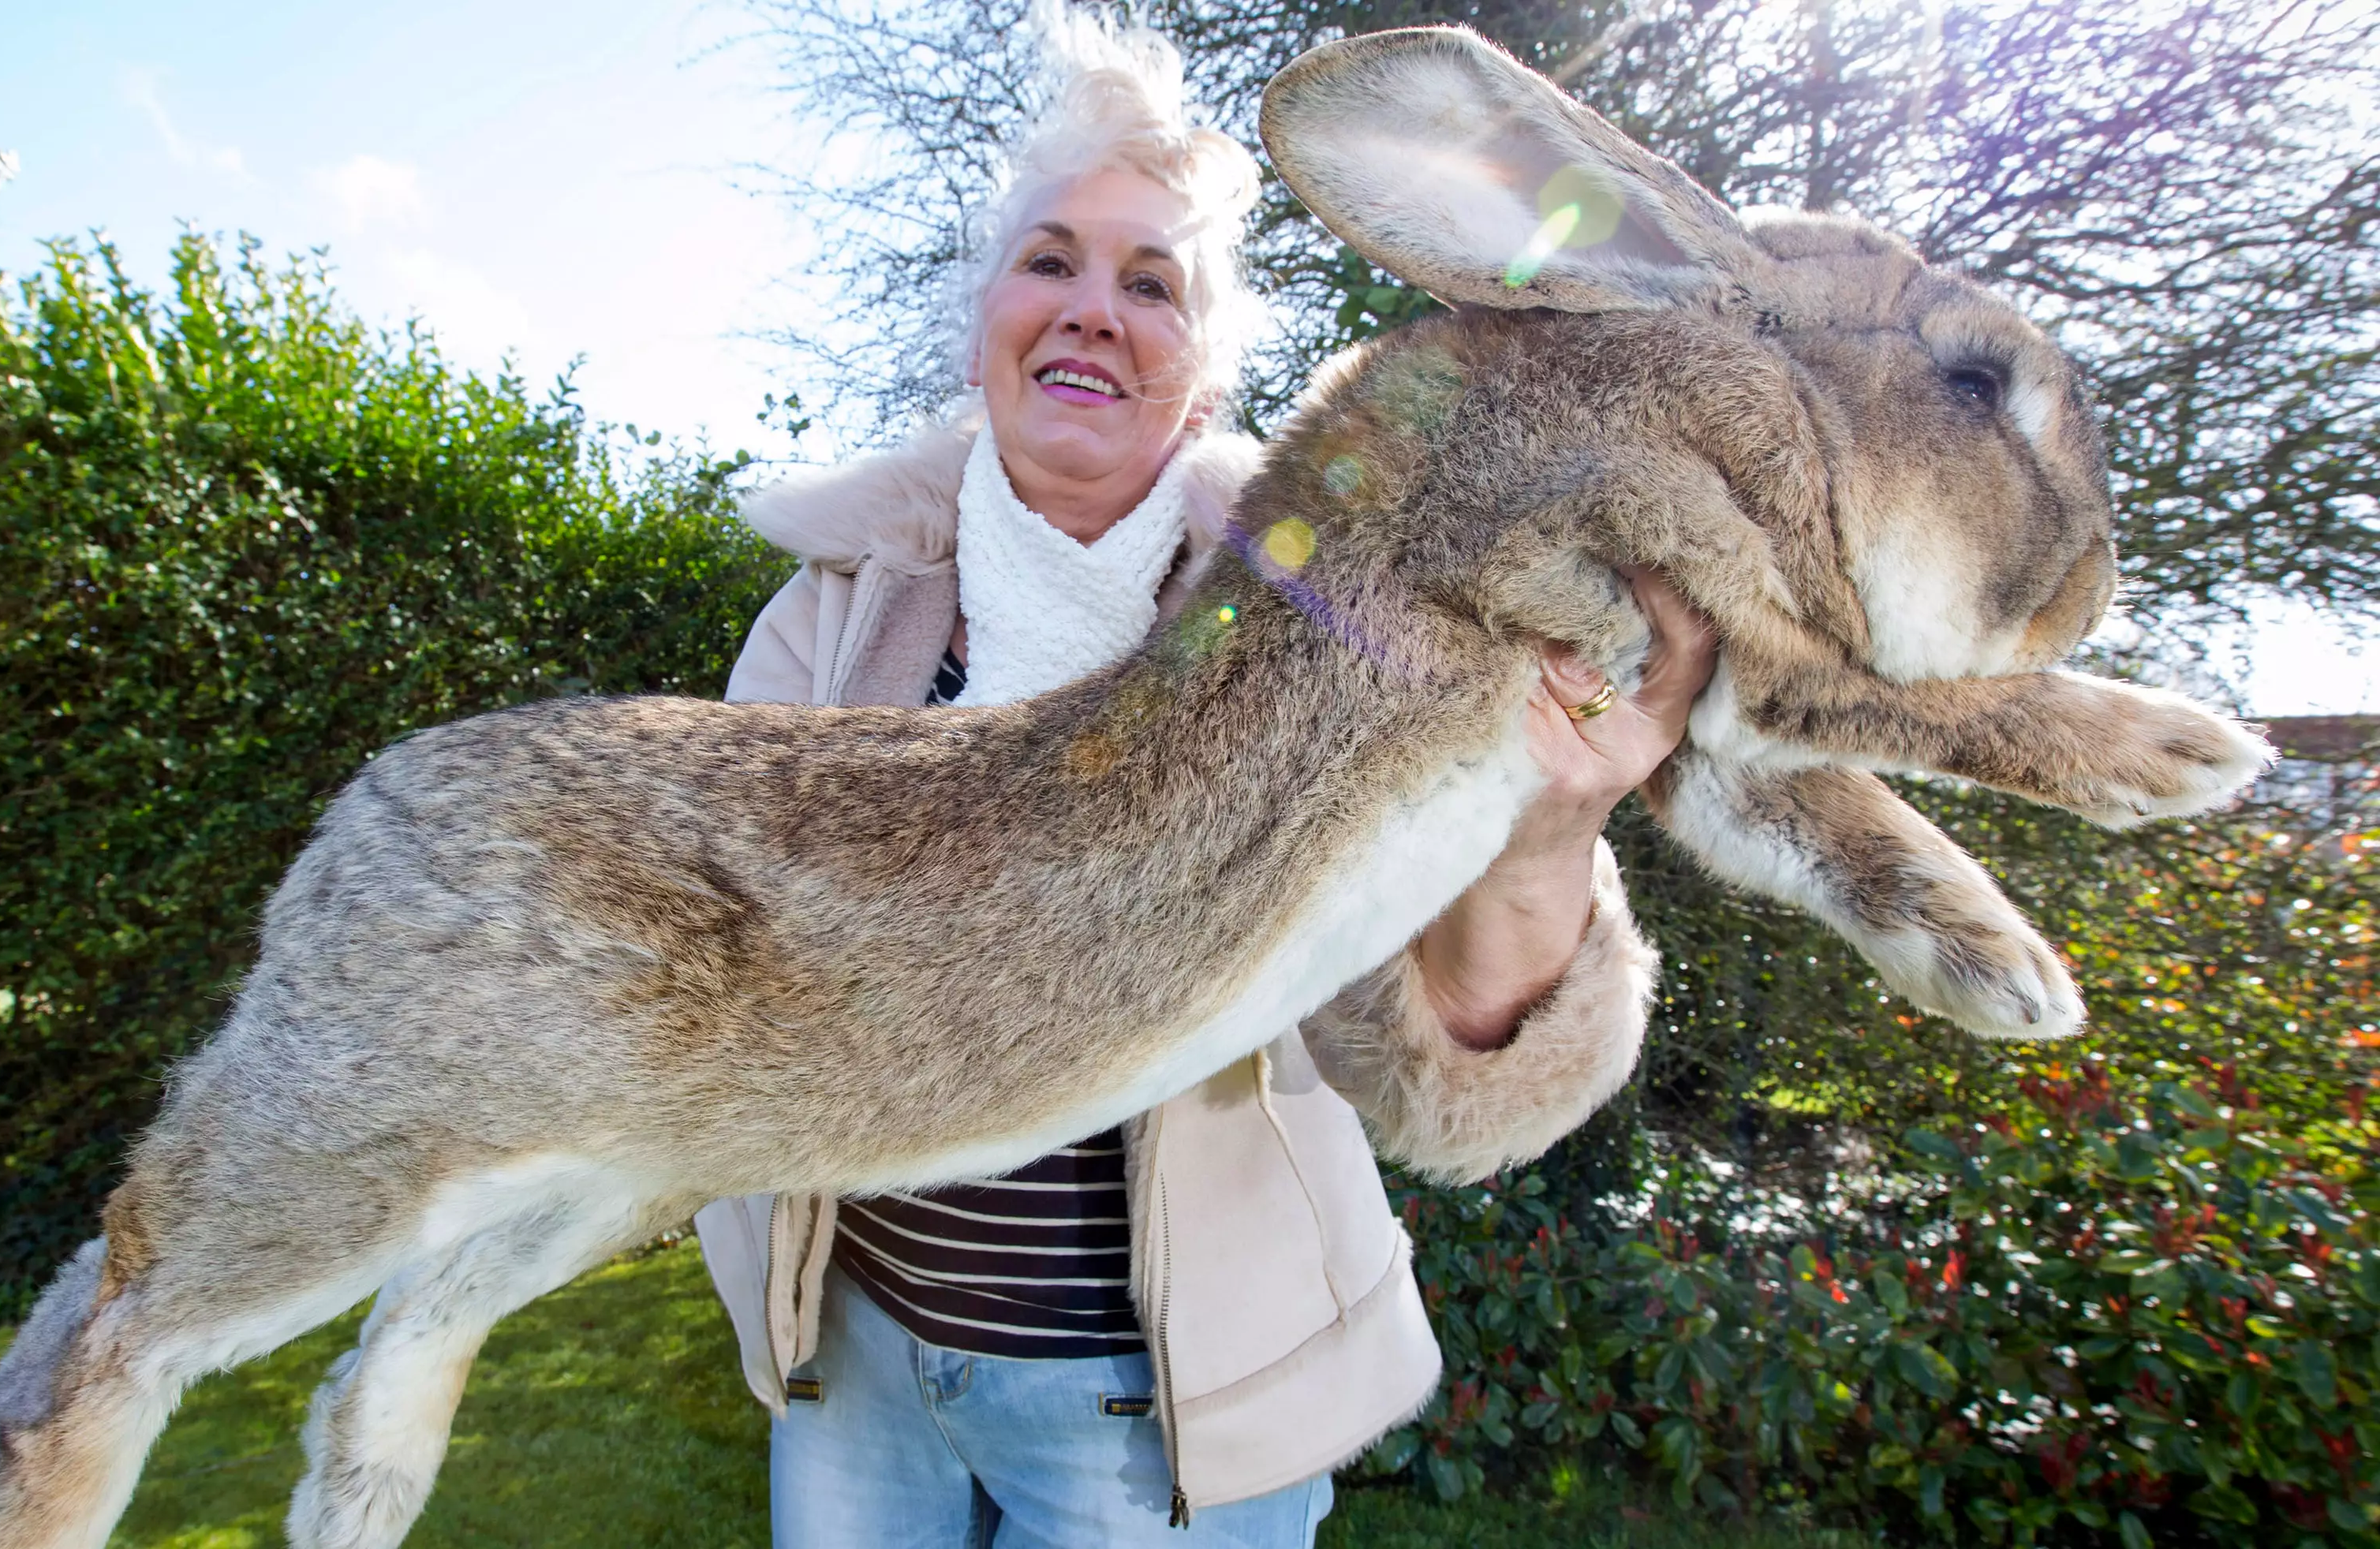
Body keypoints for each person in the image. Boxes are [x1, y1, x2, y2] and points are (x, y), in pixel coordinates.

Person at [693, 9, 1715, 1544]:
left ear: (1212, 366)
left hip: (1154, 1418)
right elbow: (719, 954)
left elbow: (1468, 1035)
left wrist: (1546, 825)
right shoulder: (835, 615)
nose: (1091, 310)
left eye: (1150, 281)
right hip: (857, 1373)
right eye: (1049, 261)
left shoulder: (1344, 627)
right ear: (987, 318)